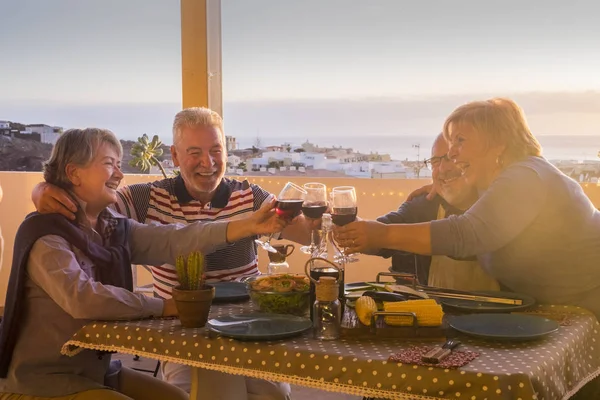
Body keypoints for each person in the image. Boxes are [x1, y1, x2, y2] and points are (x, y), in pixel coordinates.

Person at [31, 108, 311, 399]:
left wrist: (317, 221)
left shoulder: (250, 196)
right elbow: (80, 212)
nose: (209, 162)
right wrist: (44, 188)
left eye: (216, 150)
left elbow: (303, 232)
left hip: (250, 325)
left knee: (271, 395)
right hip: (183, 328)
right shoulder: (143, 199)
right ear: (175, 157)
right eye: (195, 152)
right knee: (195, 393)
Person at [335, 98, 600, 319]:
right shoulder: (497, 185)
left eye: (460, 141)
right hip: (559, 307)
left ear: (498, 143)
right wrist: (442, 182)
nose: (452, 154)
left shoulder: (525, 175)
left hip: (589, 301)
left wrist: (383, 233)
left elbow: (466, 234)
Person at [375, 133, 499, 291]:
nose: (442, 168)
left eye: (450, 158)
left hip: (502, 315)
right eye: (435, 161)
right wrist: (355, 232)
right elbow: (383, 231)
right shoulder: (425, 204)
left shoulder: (502, 207)